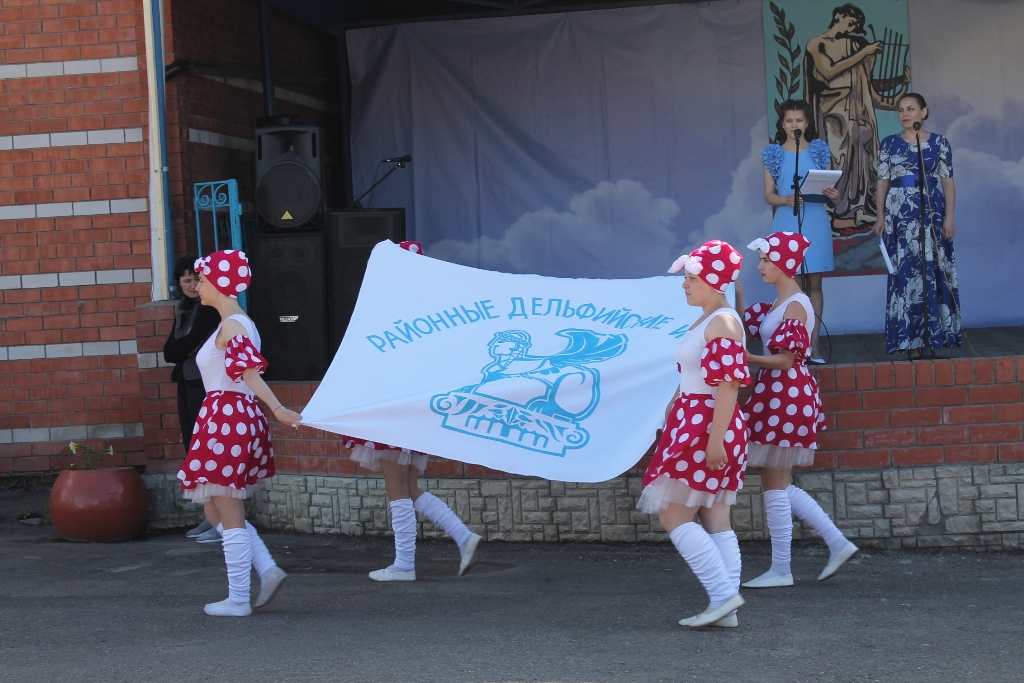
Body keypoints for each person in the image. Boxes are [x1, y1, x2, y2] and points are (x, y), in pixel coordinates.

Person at [343, 241, 482, 582]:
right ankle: (464, 537)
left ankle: (405, 564)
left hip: (392, 408)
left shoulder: (394, 312)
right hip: (408, 407)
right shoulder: (427, 313)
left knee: (397, 488)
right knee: (408, 487)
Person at [176, 249, 303, 617]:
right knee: (214, 506)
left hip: (227, 417)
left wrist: (277, 408)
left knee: (225, 507)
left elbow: (249, 374)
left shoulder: (233, 324)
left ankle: (238, 598)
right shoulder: (235, 322)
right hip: (225, 416)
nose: (197, 286)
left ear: (219, 282)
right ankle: (265, 569)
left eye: (202, 279)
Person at [638, 240, 748, 629]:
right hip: (696, 421)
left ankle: (723, 597)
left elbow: (729, 385)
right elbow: (696, 376)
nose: (685, 284)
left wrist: (715, 439)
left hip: (705, 426)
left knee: (673, 514)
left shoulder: (723, 321)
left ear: (715, 281)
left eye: (691, 278)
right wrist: (675, 404)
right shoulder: (710, 319)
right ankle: (726, 607)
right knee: (716, 515)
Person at [741, 232, 858, 588]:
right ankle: (834, 544)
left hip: (786, 394)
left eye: (765, 260)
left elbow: (787, 359)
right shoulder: (782, 303)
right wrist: (737, 294)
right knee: (776, 480)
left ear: (785, 264)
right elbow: (749, 326)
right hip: (779, 394)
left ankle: (783, 568)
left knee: (774, 480)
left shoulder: (795, 304)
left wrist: (747, 359)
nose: (760, 266)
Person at [804, 3, 910, 233]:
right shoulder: (817, 44)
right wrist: (864, 52)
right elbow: (829, 71)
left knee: (861, 164)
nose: (852, 28)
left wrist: (900, 88)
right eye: (850, 23)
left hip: (859, 115)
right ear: (839, 16)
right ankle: (836, 213)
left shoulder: (856, 45)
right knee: (837, 161)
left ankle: (855, 210)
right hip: (834, 114)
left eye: (856, 26)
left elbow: (870, 93)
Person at [872, 93, 961, 358]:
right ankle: (909, 341)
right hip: (900, 215)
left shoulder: (939, 143)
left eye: (911, 109)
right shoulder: (889, 144)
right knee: (906, 274)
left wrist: (949, 218)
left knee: (933, 271)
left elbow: (948, 182)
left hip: (932, 212)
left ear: (924, 111)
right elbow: (882, 182)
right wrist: (879, 216)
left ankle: (933, 339)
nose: (905, 114)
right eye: (901, 110)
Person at [762, 99, 840, 362]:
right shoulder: (772, 153)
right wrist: (784, 199)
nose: (794, 125)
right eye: (789, 120)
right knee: (790, 284)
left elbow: (827, 188)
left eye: (799, 120)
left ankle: (814, 345)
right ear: (782, 123)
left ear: (807, 123)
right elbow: (768, 196)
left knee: (815, 283)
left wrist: (832, 192)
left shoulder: (819, 150)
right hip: (786, 220)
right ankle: (793, 347)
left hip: (815, 219)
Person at [163, 256, 222, 543]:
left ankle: (222, 521)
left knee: (207, 450)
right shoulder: (182, 309)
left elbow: (190, 343)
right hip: (184, 383)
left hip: (203, 384)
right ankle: (208, 515)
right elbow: (169, 351)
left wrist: (183, 346)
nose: (191, 285)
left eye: (195, 279)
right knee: (191, 448)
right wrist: (183, 346)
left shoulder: (209, 309)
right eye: (185, 280)